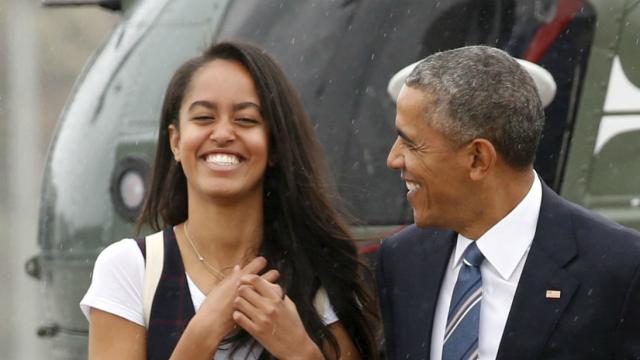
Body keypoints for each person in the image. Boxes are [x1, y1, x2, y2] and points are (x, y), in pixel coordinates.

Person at [80, 40, 379, 360]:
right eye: (204, 118)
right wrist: (201, 335)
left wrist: (300, 352)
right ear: (176, 141)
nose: (223, 133)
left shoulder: (322, 276)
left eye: (246, 120)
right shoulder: (131, 269)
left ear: (275, 147)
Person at [377, 45, 640, 359]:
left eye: (411, 143)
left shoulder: (620, 269)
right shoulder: (402, 260)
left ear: (478, 158)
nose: (393, 159)